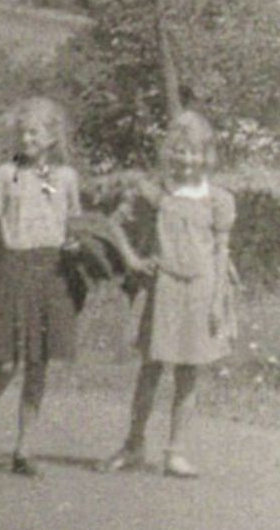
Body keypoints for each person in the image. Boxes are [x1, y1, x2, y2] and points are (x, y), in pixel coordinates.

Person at [101, 109, 237, 479]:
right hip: (162, 290)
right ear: (168, 153)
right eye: (178, 151)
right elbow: (113, 224)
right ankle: (133, 444)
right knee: (150, 369)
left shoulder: (217, 200)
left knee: (189, 373)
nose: (185, 159)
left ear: (206, 155)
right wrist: (133, 260)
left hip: (201, 292)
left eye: (193, 152)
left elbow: (221, 252)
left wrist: (217, 300)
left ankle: (176, 451)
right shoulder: (154, 193)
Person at [0, 96, 81, 477]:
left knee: (38, 363)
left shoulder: (66, 178)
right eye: (22, 132)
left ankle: (23, 449)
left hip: (51, 271)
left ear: (52, 137)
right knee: (7, 362)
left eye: (35, 133)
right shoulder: (6, 174)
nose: (27, 139)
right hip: (13, 267)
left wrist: (74, 246)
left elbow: (74, 225)